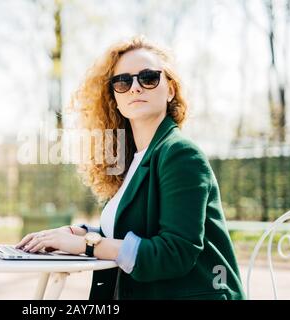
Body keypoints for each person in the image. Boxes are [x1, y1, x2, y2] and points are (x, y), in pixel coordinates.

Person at [16, 35, 245, 300]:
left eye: (148, 78)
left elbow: (175, 253)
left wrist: (86, 245)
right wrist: (78, 233)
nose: (135, 88)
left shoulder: (180, 154)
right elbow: (131, 233)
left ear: (170, 89)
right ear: (114, 96)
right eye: (123, 82)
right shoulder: (131, 160)